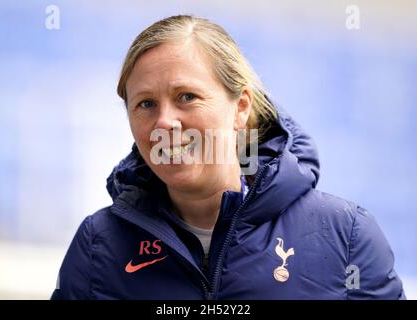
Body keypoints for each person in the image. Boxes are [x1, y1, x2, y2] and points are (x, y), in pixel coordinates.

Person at [51, 15, 405, 300]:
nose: (164, 122)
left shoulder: (346, 236)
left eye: (187, 96)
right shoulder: (99, 246)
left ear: (241, 107)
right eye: (146, 104)